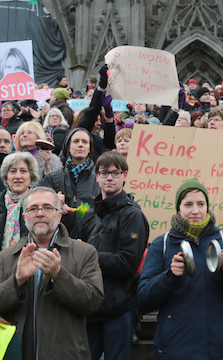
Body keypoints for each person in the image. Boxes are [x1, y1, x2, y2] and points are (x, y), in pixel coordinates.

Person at [138, 178, 223, 359]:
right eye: (188, 204)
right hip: (176, 347)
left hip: (219, 346)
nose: (196, 211)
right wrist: (169, 276)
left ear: (207, 206)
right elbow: (144, 299)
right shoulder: (162, 244)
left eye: (201, 204)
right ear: (178, 208)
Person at [0, 187, 104, 359]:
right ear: (24, 217)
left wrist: (59, 275)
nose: (40, 213)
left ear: (59, 214)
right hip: (17, 353)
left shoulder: (84, 252)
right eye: (33, 208)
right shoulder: (6, 256)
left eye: (47, 207)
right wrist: (17, 281)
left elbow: (93, 302)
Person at [71, 152, 149, 360]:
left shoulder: (133, 215)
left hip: (120, 307)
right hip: (90, 305)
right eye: (104, 173)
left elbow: (127, 263)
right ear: (96, 176)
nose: (109, 178)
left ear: (125, 175)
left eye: (115, 173)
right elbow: (73, 252)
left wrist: (87, 255)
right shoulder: (88, 215)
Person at [0, 152, 39, 281]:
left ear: (31, 176)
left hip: (32, 272)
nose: (18, 176)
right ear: (6, 177)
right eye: (13, 171)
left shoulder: (39, 203)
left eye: (23, 171)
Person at [37, 127, 100, 231]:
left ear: (89, 149)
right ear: (68, 147)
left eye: (84, 142)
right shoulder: (53, 177)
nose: (80, 144)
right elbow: (38, 204)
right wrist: (53, 203)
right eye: (76, 141)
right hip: (60, 238)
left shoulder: (100, 178)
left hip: (91, 238)